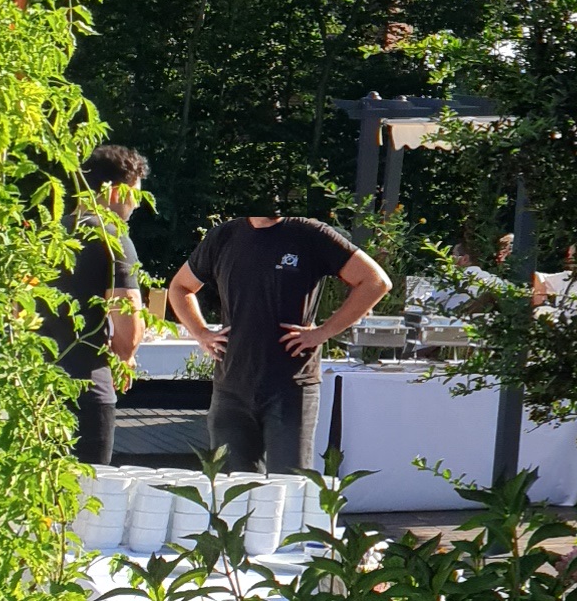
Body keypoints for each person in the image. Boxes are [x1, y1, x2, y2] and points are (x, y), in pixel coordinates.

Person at [168, 201, 392, 474]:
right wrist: (200, 332)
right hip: (232, 387)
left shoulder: (310, 233)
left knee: (289, 487)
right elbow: (180, 287)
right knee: (231, 489)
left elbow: (375, 281)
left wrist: (323, 332)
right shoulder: (224, 236)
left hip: (291, 386)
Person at [42, 142, 148, 464]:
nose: (138, 205)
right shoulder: (113, 238)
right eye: (137, 195)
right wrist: (125, 358)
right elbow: (128, 329)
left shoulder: (51, 235)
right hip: (87, 389)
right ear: (116, 192)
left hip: (38, 388)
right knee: (86, 496)